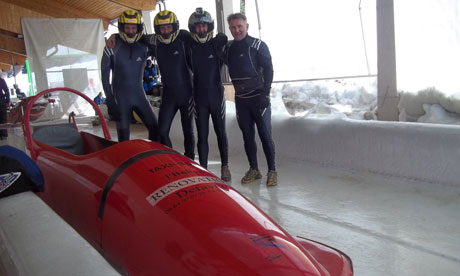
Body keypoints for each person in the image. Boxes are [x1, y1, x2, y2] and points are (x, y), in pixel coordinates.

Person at [224, 13, 277, 186]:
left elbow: (269, 69)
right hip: (241, 100)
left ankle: (272, 170)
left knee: (265, 135)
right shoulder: (229, 48)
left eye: (239, 26)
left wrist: (265, 94)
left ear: (247, 26)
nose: (236, 30)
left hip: (258, 99)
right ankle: (254, 169)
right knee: (247, 136)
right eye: (233, 27)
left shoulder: (257, 45)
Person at [101, 10, 159, 142]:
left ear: (138, 28)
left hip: (139, 96)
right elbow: (104, 77)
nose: (130, 31)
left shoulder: (145, 46)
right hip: (121, 99)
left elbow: (161, 38)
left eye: (133, 28)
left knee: (155, 128)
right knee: (124, 137)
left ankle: (152, 159)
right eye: (127, 27)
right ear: (122, 28)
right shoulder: (112, 46)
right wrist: (110, 101)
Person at [187, 8, 231, 181]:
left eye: (204, 26)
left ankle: (225, 166)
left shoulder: (217, 44)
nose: (202, 29)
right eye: (198, 27)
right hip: (199, 98)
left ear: (209, 26)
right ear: (193, 28)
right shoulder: (189, 47)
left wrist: (224, 41)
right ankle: (203, 169)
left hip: (216, 96)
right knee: (202, 134)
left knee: (221, 132)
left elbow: (229, 58)